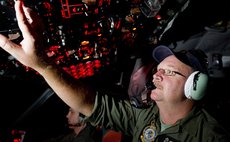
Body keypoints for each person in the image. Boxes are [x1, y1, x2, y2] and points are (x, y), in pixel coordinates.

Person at [0, 1, 230, 142]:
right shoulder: (146, 117)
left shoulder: (210, 135)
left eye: (169, 72)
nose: (156, 75)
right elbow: (89, 104)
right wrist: (42, 64)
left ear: (195, 86)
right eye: (160, 70)